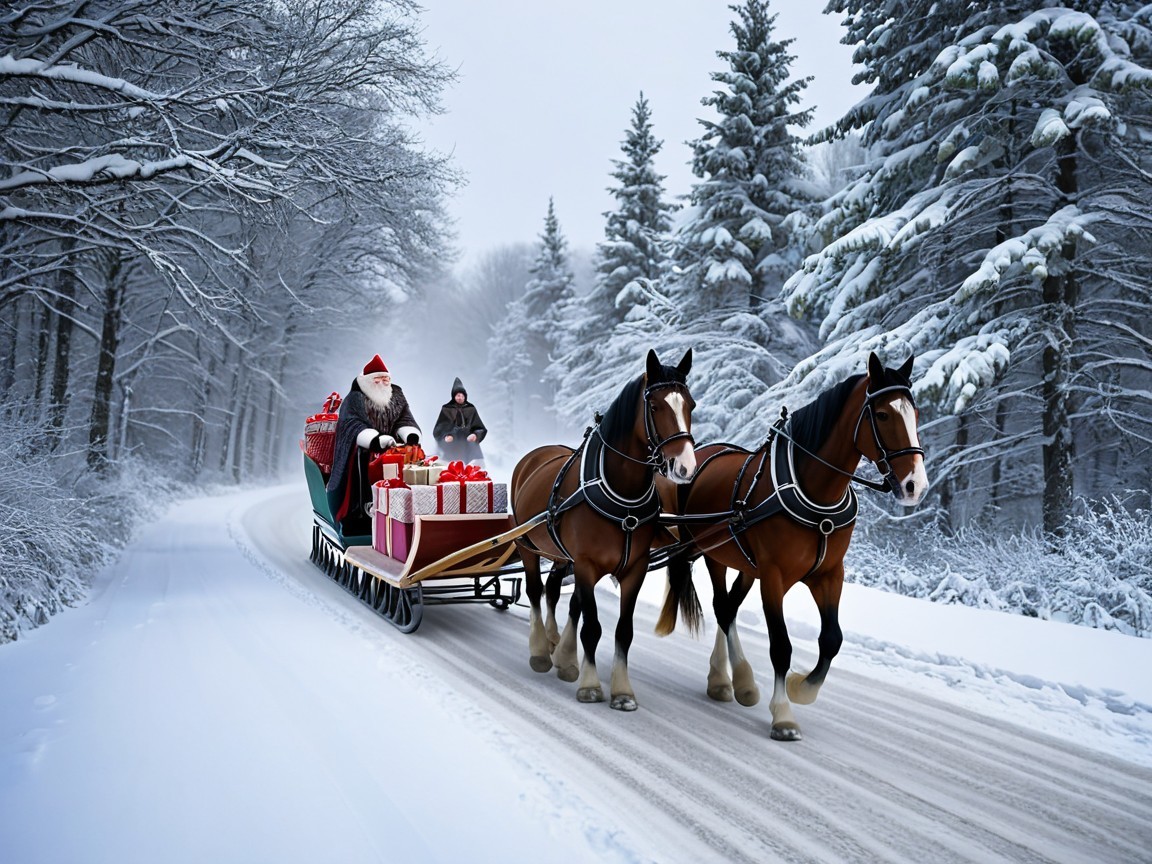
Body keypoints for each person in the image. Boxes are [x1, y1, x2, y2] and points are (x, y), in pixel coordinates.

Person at [325, 355, 421, 536]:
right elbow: (352, 424)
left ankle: (400, 517)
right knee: (363, 485)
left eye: (386, 380)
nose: (383, 384)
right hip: (361, 454)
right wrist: (374, 440)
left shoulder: (396, 394)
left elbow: (404, 418)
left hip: (391, 453)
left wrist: (409, 434)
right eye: (378, 380)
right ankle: (362, 516)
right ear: (369, 381)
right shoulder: (354, 398)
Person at [432, 377, 487, 465]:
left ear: (465, 396)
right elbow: (439, 429)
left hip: (468, 446)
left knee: (474, 466)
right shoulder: (446, 409)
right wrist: (446, 436)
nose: (460, 398)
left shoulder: (471, 409)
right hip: (452, 447)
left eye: (462, 396)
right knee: (450, 467)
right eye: (458, 395)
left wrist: (475, 435)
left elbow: (479, 427)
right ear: (454, 396)